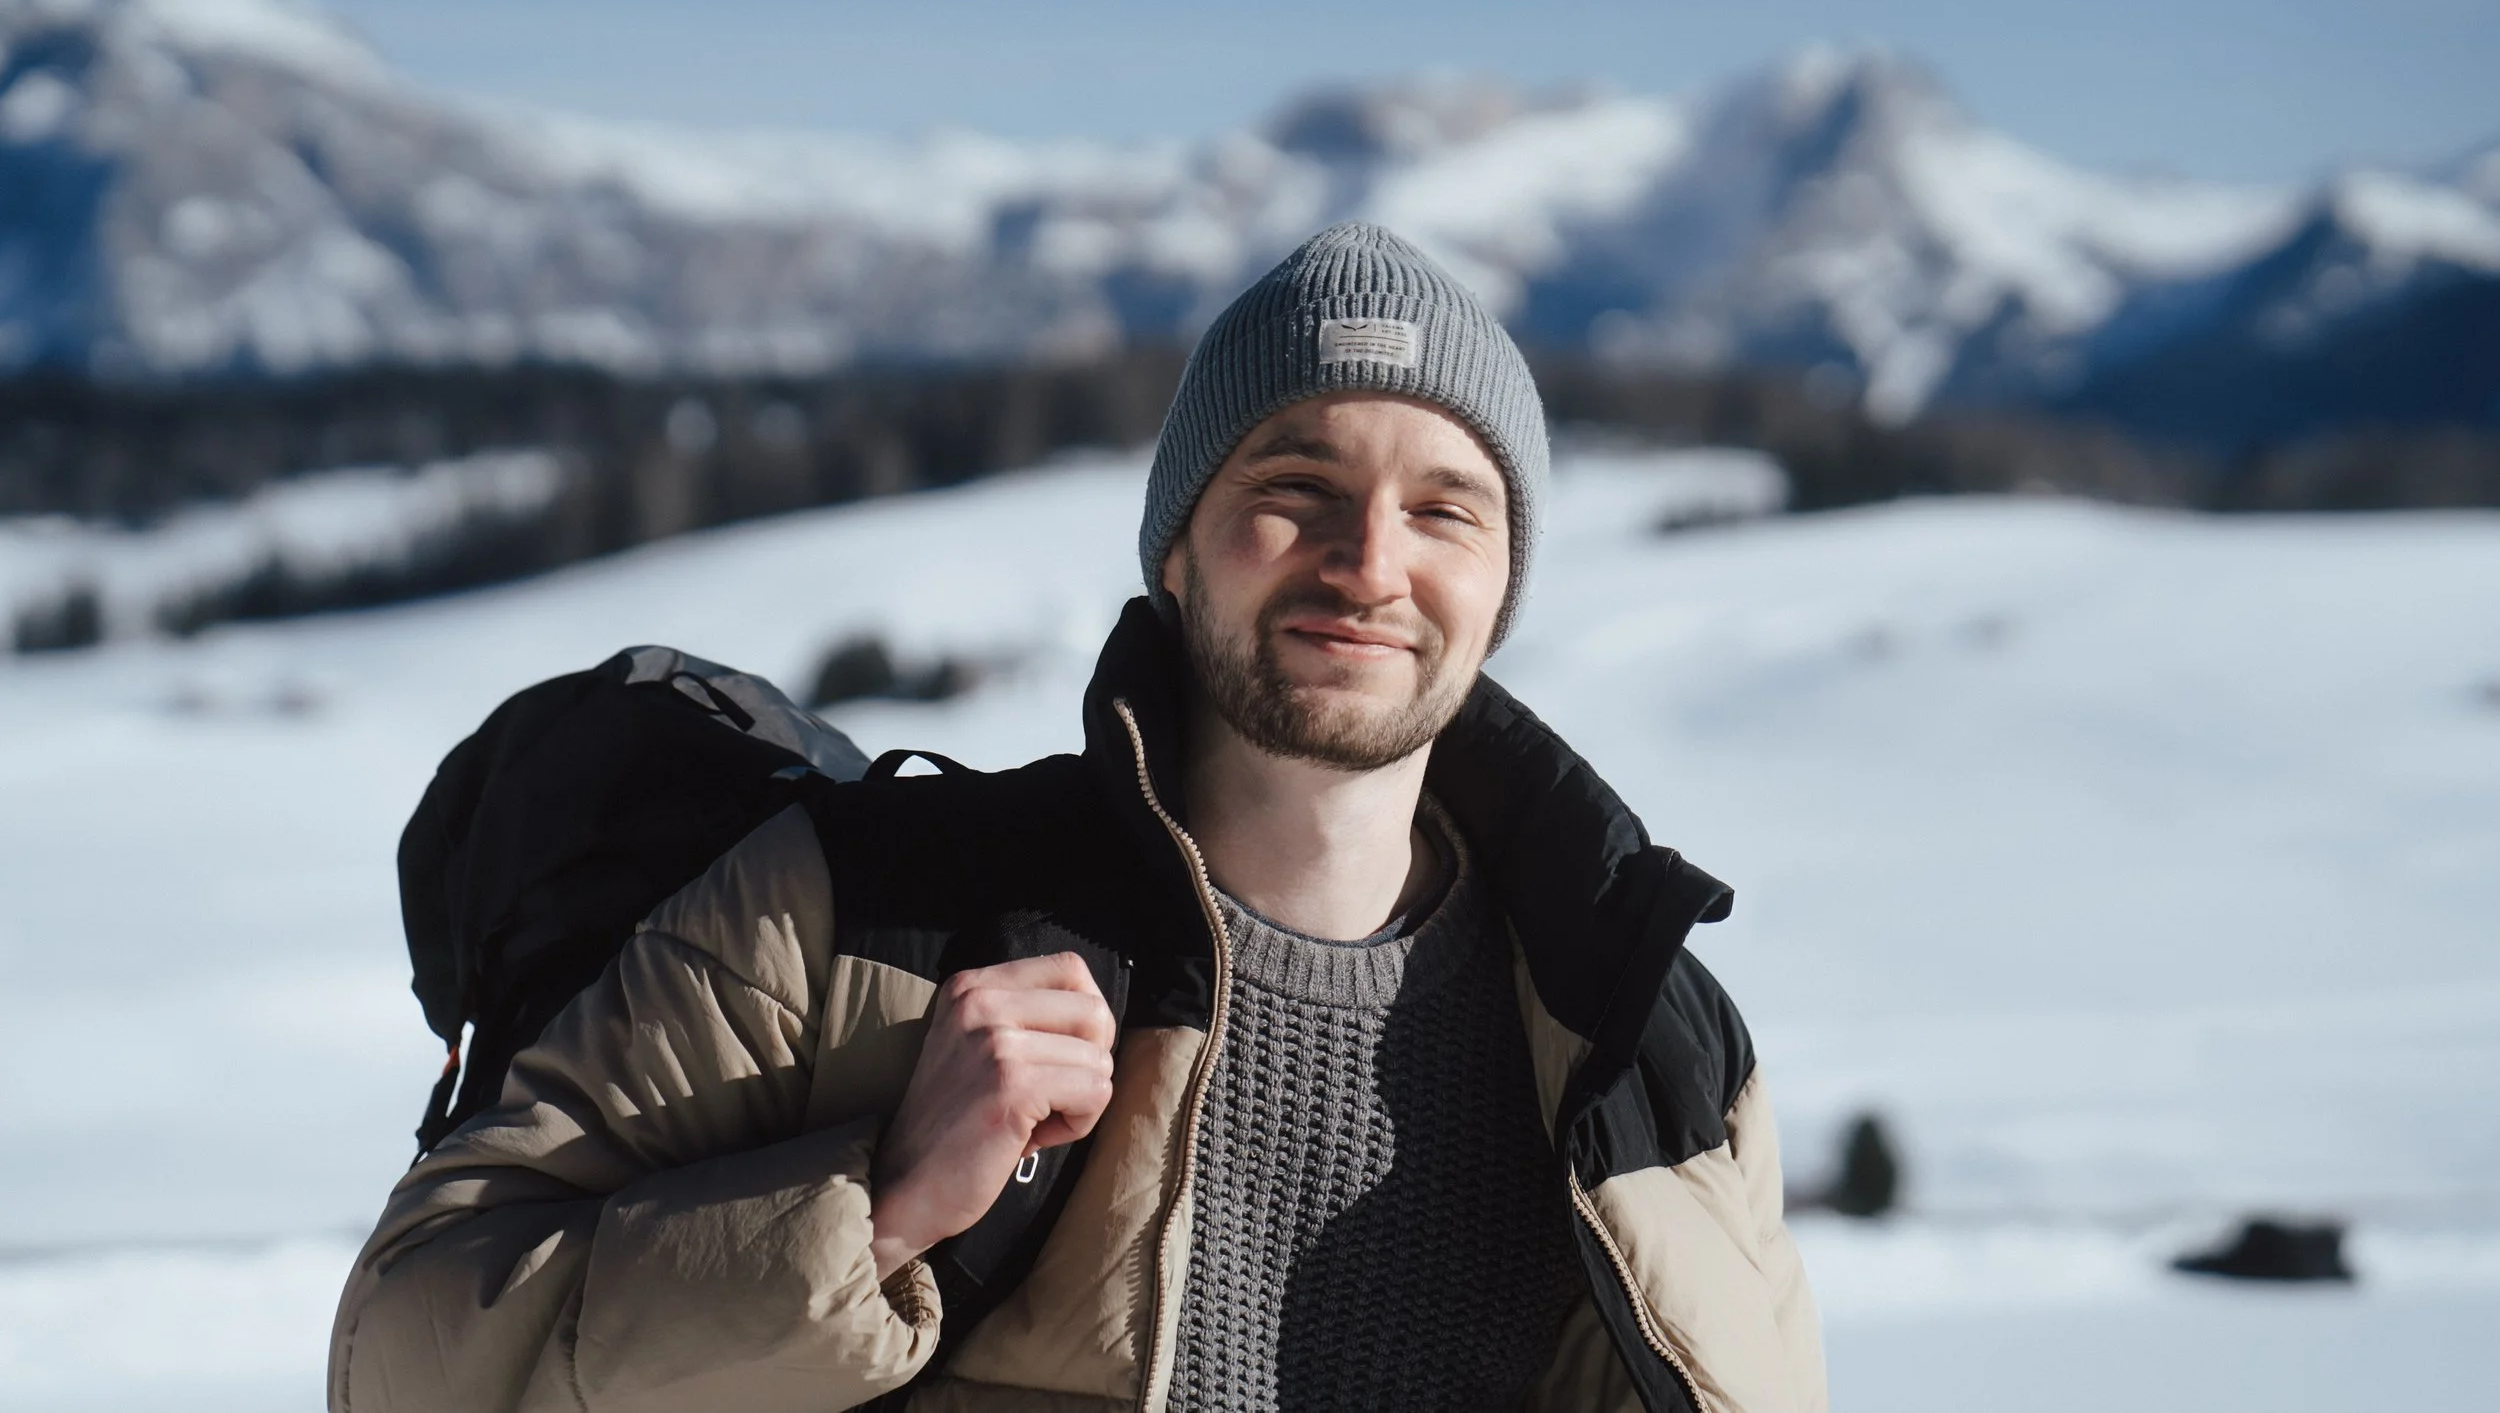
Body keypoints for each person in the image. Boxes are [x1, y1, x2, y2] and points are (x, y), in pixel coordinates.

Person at [328, 222, 1825, 1413]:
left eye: (1446, 509)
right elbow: (406, 1358)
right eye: (1296, 483)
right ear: (1179, 550)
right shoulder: (864, 921)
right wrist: (878, 1205)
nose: (1370, 562)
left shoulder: (1647, 1040)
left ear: (1503, 585)